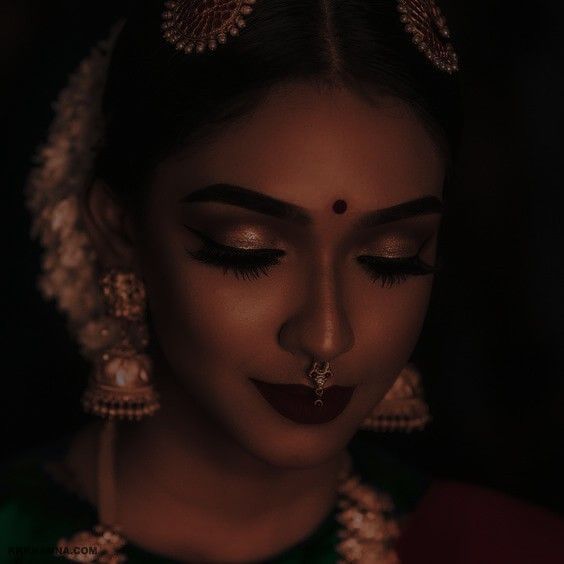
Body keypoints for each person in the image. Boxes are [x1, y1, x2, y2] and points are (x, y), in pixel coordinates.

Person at [1, 1, 563, 563]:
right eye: (249, 250)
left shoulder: (504, 548)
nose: (325, 335)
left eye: (392, 258)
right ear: (122, 230)